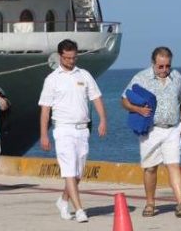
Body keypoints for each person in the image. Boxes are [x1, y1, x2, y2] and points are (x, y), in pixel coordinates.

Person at [121, 46, 181, 218]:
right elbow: (124, 100)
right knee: (150, 168)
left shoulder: (177, 77)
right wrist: (137, 109)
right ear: (153, 63)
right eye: (161, 66)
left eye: (167, 66)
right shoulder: (141, 78)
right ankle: (150, 203)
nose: (164, 70)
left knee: (174, 165)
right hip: (151, 131)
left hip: (172, 129)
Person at [38, 39, 107, 223]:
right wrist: (44, 135)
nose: (71, 61)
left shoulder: (84, 75)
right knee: (69, 170)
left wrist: (102, 120)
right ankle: (79, 210)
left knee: (77, 174)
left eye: (74, 57)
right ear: (60, 56)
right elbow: (45, 110)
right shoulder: (52, 79)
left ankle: (63, 200)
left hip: (82, 129)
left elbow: (96, 97)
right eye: (68, 58)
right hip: (62, 129)